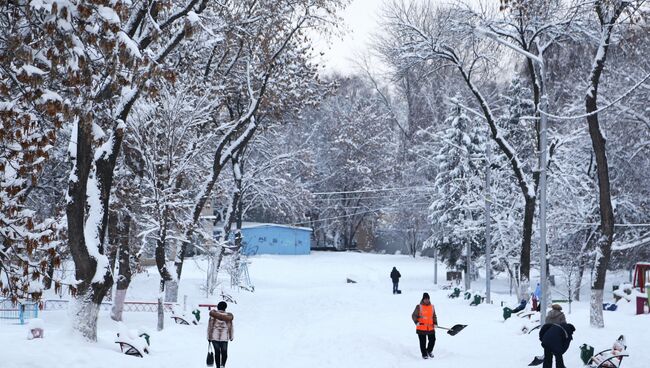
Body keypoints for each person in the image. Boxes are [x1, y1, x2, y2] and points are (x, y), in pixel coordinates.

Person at [207, 301, 234, 368]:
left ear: (218, 307)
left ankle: (218, 367)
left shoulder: (213, 316)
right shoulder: (228, 317)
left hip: (214, 337)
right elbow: (230, 328)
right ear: (225, 308)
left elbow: (210, 327)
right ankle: (223, 365)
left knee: (217, 352)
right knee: (224, 352)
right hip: (224, 337)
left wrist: (209, 337)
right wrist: (231, 337)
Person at [411, 292, 437, 359]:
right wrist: (416, 322)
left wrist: (435, 323)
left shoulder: (432, 307)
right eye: (425, 299)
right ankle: (424, 354)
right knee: (423, 342)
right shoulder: (419, 307)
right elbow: (414, 315)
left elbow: (434, 316)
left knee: (433, 340)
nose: (427, 300)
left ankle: (429, 351)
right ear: (423, 299)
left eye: (428, 299)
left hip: (430, 327)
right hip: (421, 327)